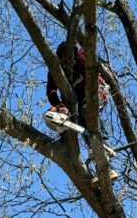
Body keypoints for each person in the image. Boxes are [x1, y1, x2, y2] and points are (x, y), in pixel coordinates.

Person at [46, 42, 116, 183]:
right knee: (84, 129)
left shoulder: (82, 56)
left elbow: (97, 64)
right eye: (64, 59)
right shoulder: (56, 70)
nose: (68, 62)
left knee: (87, 110)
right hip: (77, 102)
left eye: (70, 57)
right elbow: (51, 92)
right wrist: (59, 106)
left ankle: (104, 144)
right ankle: (106, 170)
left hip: (96, 91)